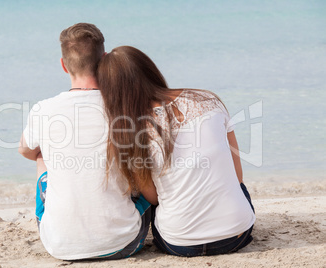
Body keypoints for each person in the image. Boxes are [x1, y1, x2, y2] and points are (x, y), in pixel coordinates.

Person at [97, 46, 256, 257]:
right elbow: (237, 174)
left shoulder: (128, 132)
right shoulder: (207, 100)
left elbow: (153, 198)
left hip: (179, 243)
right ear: (150, 70)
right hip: (237, 234)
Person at [18, 24, 152, 260]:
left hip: (59, 246)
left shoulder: (44, 109)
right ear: (105, 60)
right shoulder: (123, 107)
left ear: (63, 64)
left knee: (41, 154)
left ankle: (70, 226)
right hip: (125, 243)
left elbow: (25, 151)